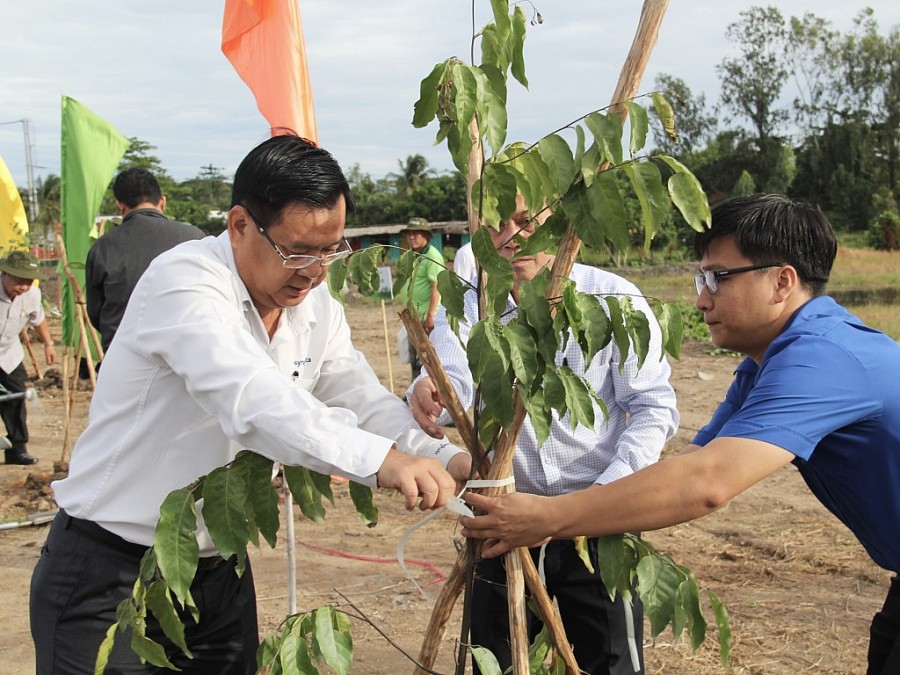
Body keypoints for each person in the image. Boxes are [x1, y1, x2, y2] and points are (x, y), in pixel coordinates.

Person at [30, 135, 469, 675]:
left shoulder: (314, 302)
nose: (314, 271)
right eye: (297, 251)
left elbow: (355, 393)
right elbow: (252, 396)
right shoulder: (185, 282)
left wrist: (444, 458)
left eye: (330, 250)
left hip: (218, 569)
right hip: (111, 569)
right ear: (240, 226)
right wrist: (383, 462)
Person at [460, 194, 900, 675]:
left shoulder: (822, 356)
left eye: (718, 278)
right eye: (700, 279)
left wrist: (550, 517)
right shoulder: (763, 368)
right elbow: (690, 461)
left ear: (782, 281)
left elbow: (706, 484)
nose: (701, 299)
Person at [408, 195, 678, 674]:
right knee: (499, 660)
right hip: (501, 523)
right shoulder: (468, 301)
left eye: (527, 221)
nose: (512, 236)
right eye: (495, 225)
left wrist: (602, 500)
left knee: (609, 661)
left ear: (562, 221)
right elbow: (457, 382)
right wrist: (427, 389)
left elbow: (652, 407)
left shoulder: (613, 299)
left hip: (597, 523)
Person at [85, 167, 205, 353]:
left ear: (121, 206)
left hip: (123, 356)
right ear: (162, 201)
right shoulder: (194, 238)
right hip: (186, 354)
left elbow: (96, 313)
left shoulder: (103, 247)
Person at [0, 250, 56, 465]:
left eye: (28, 281)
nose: (23, 286)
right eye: (18, 280)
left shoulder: (32, 294)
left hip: (9, 354)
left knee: (16, 398)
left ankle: (17, 449)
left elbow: (38, 319)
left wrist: (49, 344)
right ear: (4, 274)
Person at [401, 217, 444, 377]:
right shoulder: (411, 255)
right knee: (415, 357)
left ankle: (431, 388)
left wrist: (431, 315)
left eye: (416, 234)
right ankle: (415, 387)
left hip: (425, 317)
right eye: (409, 234)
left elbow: (436, 286)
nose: (411, 237)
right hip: (413, 316)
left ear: (426, 236)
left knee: (428, 357)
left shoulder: (432, 256)